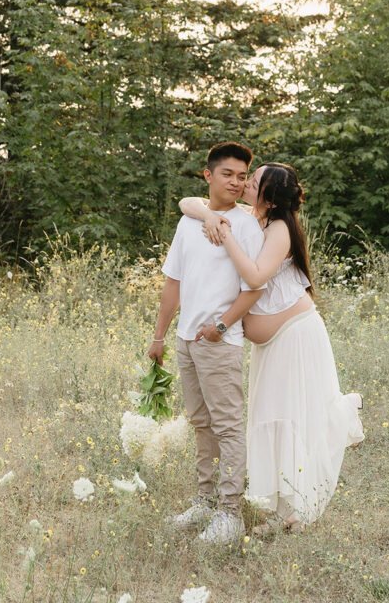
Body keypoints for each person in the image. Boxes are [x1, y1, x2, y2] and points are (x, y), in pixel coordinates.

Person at [180, 161, 364, 530]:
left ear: (270, 194)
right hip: (272, 343)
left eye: (255, 179)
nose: (246, 182)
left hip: (295, 335)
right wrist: (209, 215)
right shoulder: (252, 216)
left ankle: (295, 511)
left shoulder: (279, 228)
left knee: (292, 417)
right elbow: (187, 202)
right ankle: (279, 511)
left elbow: (255, 276)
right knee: (268, 417)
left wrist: (225, 235)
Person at [148, 142, 265, 546]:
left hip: (220, 341)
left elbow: (255, 286)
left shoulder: (248, 226)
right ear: (208, 175)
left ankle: (230, 514)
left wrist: (220, 325)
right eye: (227, 174)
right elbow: (173, 282)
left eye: (241, 176)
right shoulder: (189, 221)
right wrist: (160, 335)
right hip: (185, 340)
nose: (235, 182)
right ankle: (205, 500)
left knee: (229, 426)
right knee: (201, 423)